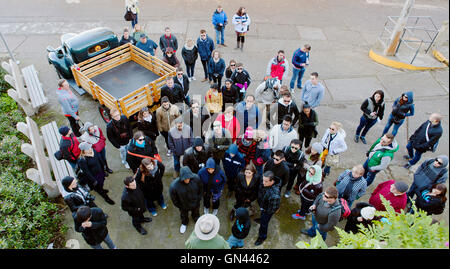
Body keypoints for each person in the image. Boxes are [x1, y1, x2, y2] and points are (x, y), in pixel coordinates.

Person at [170, 166, 204, 234]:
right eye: (185, 179)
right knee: (184, 215)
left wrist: (198, 199)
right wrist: (180, 206)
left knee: (196, 212)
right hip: (184, 206)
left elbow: (201, 189)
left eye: (188, 178)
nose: (187, 180)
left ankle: (196, 218)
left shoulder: (196, 178)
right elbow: (174, 199)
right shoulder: (174, 186)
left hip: (195, 203)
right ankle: (184, 223)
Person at [254, 171, 281, 246]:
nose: (263, 183)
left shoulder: (274, 195)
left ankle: (262, 237)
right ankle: (261, 218)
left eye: (266, 181)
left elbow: (273, 209)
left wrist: (265, 211)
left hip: (267, 210)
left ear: (272, 181)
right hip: (263, 205)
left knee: (264, 224)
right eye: (263, 180)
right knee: (262, 217)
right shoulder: (265, 183)